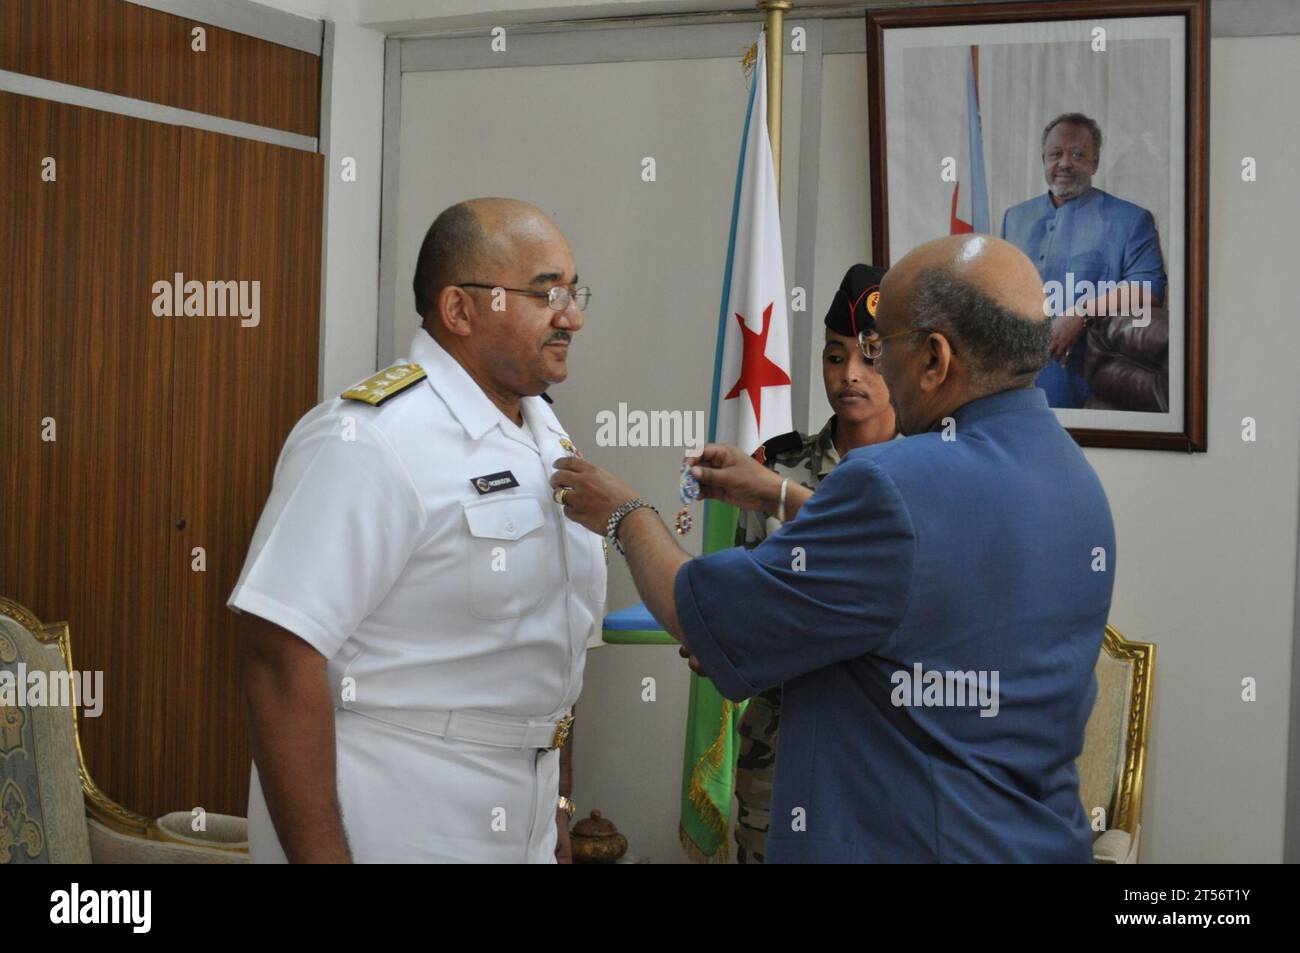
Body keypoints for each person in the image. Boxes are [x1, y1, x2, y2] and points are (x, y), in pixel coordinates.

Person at [552, 234, 1115, 862]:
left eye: (882, 348)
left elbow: (702, 612)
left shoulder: (893, 482)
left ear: (934, 358)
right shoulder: (1076, 480)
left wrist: (626, 513)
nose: (865, 371)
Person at [229, 198, 605, 863]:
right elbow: (277, 651)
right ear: (461, 310)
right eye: (546, 294)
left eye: (575, 293)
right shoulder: (370, 439)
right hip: (397, 819)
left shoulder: (547, 437)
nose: (571, 316)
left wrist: (557, 808)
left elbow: (555, 645)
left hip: (522, 822)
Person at [733, 264, 897, 864]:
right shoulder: (775, 469)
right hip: (780, 747)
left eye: (872, 356)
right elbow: (743, 609)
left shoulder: (936, 469)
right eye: (835, 356)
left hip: (888, 752)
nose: (850, 374)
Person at [1000, 112, 1168, 409]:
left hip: (1082, 376)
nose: (1064, 163)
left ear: (1094, 164)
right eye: (1055, 154)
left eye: (1077, 154)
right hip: (1013, 375)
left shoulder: (1129, 220)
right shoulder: (1015, 218)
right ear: (1043, 160)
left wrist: (1081, 312)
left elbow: (1147, 289)